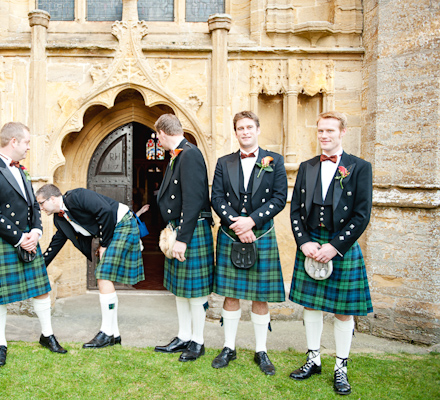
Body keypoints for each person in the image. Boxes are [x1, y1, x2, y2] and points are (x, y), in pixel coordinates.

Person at [288, 111, 373, 395]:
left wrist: (335, 246)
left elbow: (361, 214)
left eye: (330, 131)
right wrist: (303, 242)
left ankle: (341, 367)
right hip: (312, 242)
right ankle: (313, 359)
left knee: (343, 311)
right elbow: (296, 211)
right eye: (320, 131)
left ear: (342, 133)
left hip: (341, 246)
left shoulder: (359, 167)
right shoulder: (307, 166)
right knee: (310, 305)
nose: (324, 136)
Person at [0, 122, 66, 367]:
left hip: (28, 238)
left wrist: (36, 231)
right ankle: (0, 343)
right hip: (6, 239)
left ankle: (47, 335)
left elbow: (33, 206)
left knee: (41, 288)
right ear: (13, 141)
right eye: (26, 142)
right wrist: (19, 238)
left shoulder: (22, 170)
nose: (28, 147)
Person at [210, 111, 288, 373]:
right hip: (232, 232)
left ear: (257, 129)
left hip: (261, 232)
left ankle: (261, 351)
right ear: (235, 132)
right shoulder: (224, 162)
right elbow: (217, 198)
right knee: (231, 294)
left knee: (260, 296)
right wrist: (237, 222)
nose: (245, 132)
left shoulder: (274, 161)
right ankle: (228, 347)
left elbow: (279, 198)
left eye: (249, 127)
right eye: (240, 128)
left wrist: (251, 221)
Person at [37, 184, 145, 348]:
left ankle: (106, 333)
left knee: (103, 276)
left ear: (52, 198)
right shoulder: (59, 218)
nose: (41, 208)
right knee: (104, 276)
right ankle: (114, 334)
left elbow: (105, 211)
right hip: (113, 231)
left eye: (41, 203)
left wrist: (104, 244)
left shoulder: (76, 196)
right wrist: (39, 267)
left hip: (123, 224)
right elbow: (57, 242)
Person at [152, 114, 214, 362]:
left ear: (163, 133)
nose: (157, 139)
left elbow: (193, 200)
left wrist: (183, 239)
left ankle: (197, 342)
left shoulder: (190, 154)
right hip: (179, 227)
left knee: (195, 291)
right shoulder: (178, 155)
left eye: (157, 135)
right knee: (180, 289)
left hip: (190, 229)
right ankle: (183, 335)